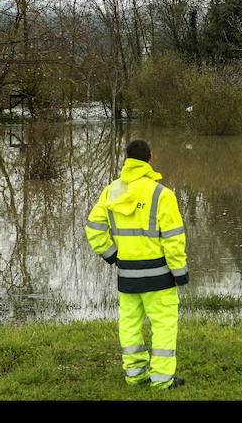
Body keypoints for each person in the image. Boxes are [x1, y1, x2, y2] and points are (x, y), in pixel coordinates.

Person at [84, 139, 188, 389]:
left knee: (129, 324)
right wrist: (180, 272)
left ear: (126, 159)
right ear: (150, 158)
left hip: (127, 275)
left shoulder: (111, 191)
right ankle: (162, 380)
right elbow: (173, 239)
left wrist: (112, 256)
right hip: (160, 276)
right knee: (163, 325)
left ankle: (135, 374)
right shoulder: (162, 194)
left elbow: (94, 229)